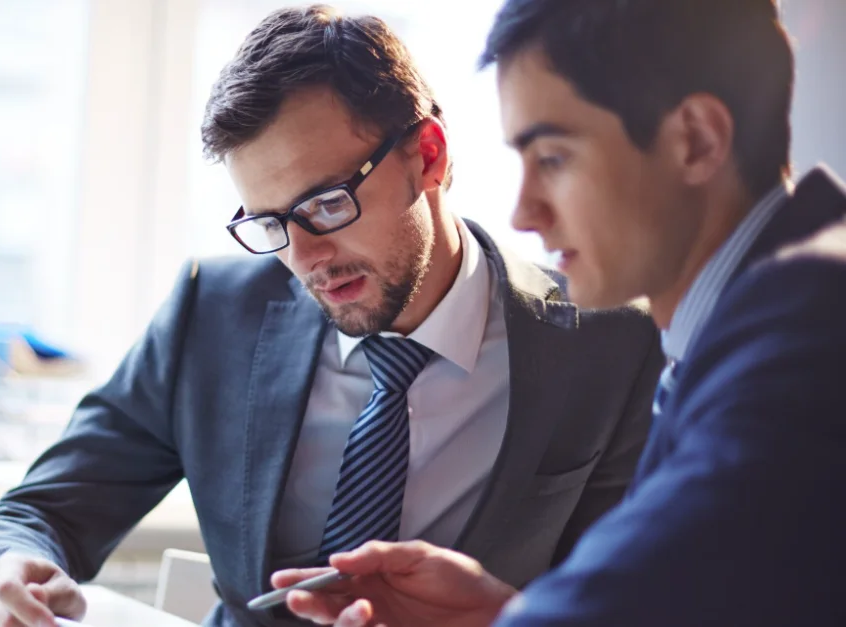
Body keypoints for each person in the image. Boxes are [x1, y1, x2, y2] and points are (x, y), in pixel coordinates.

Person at [0, 6, 663, 627]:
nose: (307, 253)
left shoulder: (606, 345)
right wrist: (5, 568)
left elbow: (632, 601)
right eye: (270, 223)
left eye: (324, 204)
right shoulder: (211, 315)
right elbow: (39, 509)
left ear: (428, 155)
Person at [277, 0, 846, 625]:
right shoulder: (754, 321)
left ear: (696, 140)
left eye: (552, 157)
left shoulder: (810, 335)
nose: (523, 214)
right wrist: (501, 614)